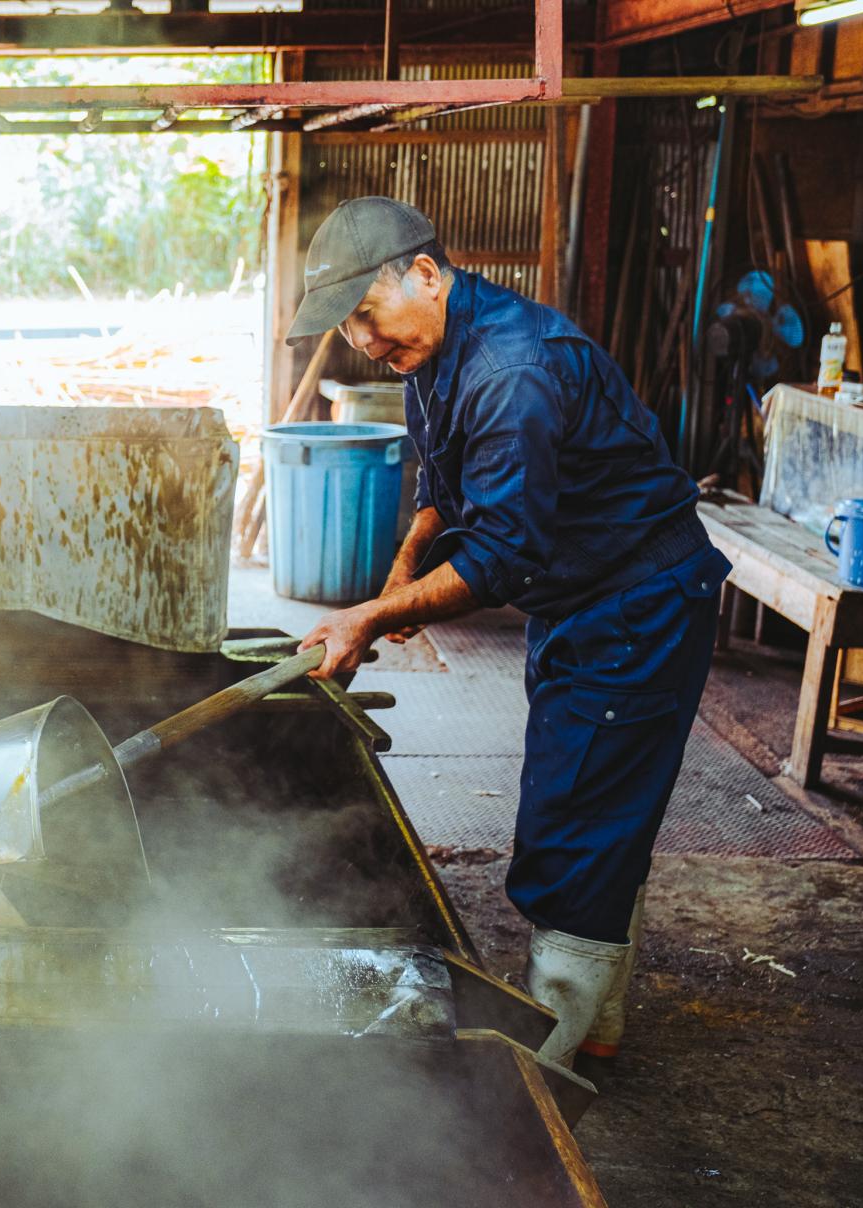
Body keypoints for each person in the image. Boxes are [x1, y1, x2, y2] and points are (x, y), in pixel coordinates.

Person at [290, 196, 731, 1069]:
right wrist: (396, 583)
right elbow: (442, 492)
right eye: (349, 331)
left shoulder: (512, 369)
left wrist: (372, 616)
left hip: (636, 605)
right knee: (600, 809)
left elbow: (499, 559)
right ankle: (592, 1035)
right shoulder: (434, 352)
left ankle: (539, 1079)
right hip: (585, 598)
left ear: (423, 274)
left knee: (572, 830)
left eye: (368, 317)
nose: (366, 343)